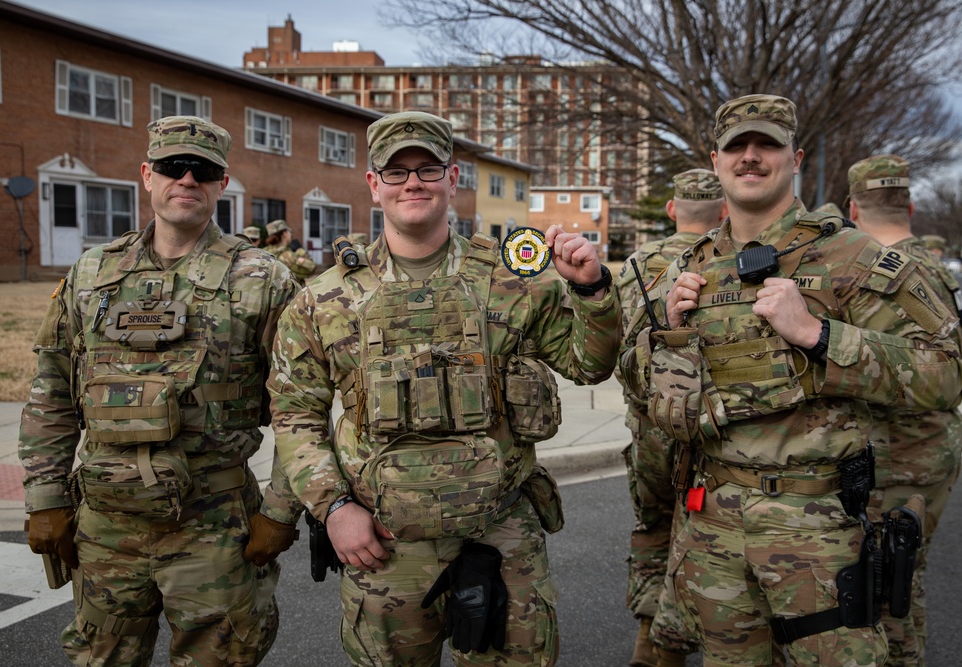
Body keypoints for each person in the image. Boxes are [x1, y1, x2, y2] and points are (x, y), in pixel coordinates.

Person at [619, 94, 962, 667]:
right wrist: (666, 336)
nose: (750, 157)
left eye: (767, 145)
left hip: (820, 533)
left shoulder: (853, 257)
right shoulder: (687, 269)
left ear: (795, 157)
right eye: (737, 147)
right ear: (717, 159)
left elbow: (944, 372)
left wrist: (820, 336)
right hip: (712, 528)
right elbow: (635, 383)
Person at [267, 110, 621, 666]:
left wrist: (592, 290)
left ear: (453, 180)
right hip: (383, 546)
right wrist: (333, 507)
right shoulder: (324, 300)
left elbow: (588, 365)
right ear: (374, 184)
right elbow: (294, 416)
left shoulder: (512, 282)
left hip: (500, 532)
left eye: (428, 169)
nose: (413, 182)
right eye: (397, 170)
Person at [19, 115, 303, 666]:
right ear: (147, 175)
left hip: (215, 527)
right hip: (105, 527)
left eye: (205, 171)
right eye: (174, 167)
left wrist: (280, 510)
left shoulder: (261, 278)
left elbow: (300, 406)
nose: (188, 180)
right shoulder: (91, 274)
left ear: (222, 184)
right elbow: (52, 388)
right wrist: (45, 497)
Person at [847, 154, 962, 667]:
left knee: (884, 582)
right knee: (905, 573)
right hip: (936, 446)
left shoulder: (881, 272)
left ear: (853, 209)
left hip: (897, 450)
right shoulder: (937, 270)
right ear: (912, 205)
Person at [614, 168, 726, 667]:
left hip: (647, 428)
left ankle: (652, 644)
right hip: (703, 428)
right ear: (723, 210)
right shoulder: (725, 259)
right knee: (699, 534)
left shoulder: (639, 263)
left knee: (654, 527)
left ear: (670, 208)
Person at [263, 219, 317, 285]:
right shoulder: (288, 256)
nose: (291, 234)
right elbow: (311, 269)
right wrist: (302, 254)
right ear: (284, 234)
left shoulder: (263, 252)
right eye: (289, 232)